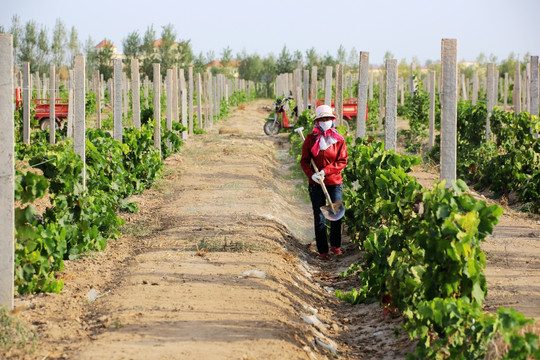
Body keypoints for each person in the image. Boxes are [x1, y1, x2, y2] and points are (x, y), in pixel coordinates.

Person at [300, 105, 348, 260]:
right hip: (316, 185)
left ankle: (335, 245)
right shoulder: (310, 139)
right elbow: (305, 161)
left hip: (334, 182)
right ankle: (323, 250)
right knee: (319, 216)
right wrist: (312, 175)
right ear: (317, 122)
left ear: (332, 120)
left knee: (336, 214)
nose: (325, 122)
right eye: (322, 119)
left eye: (327, 119)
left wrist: (325, 171)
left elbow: (342, 161)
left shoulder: (338, 140)